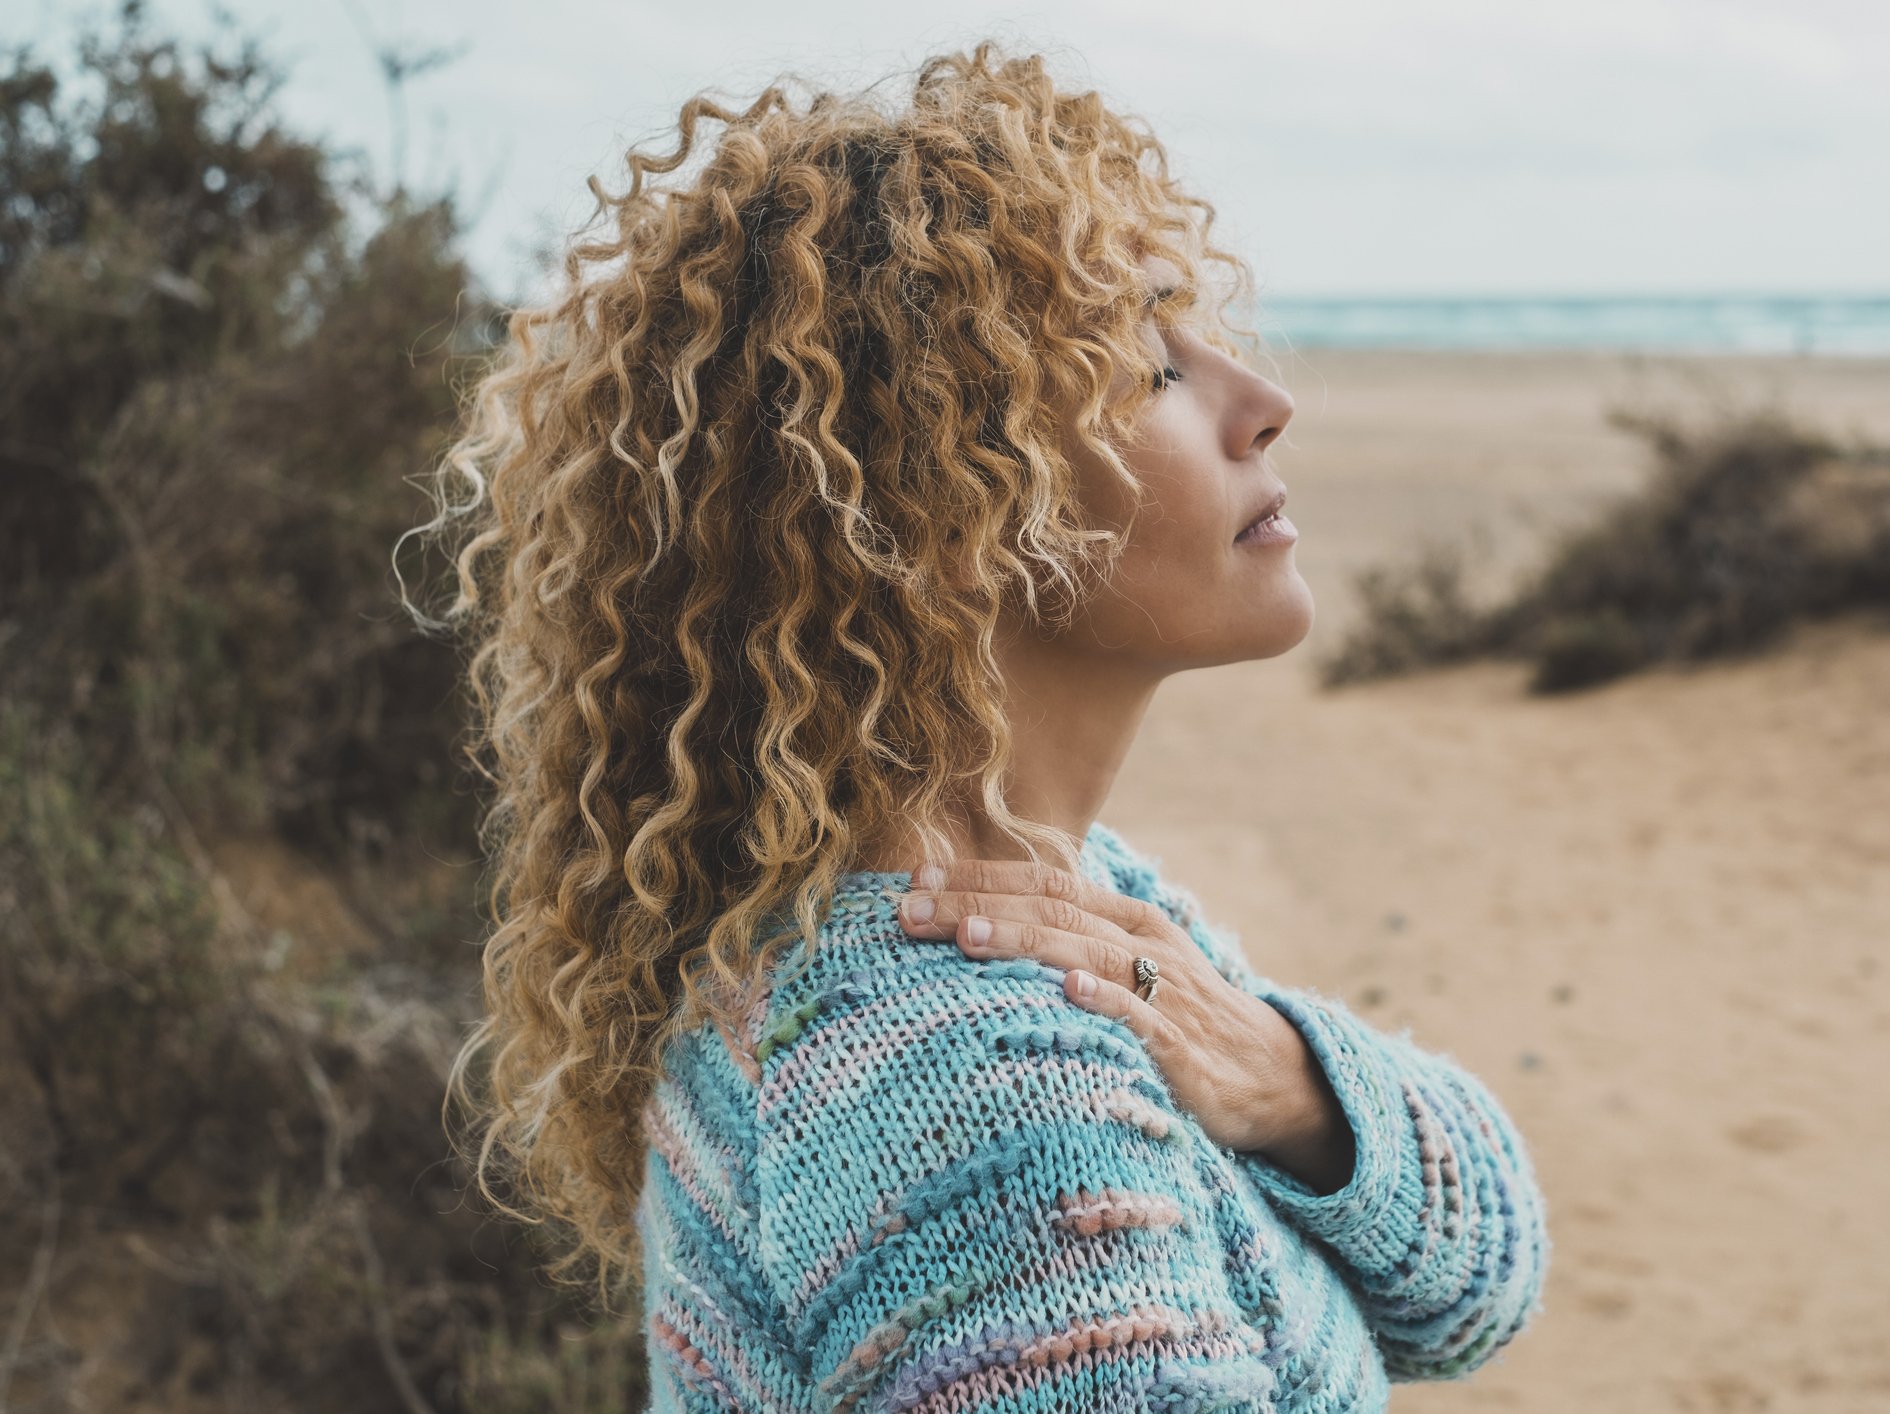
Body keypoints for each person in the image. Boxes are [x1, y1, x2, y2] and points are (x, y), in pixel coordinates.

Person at [416, 39, 1551, 1413]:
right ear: (945, 515)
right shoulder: (970, 1062)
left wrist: (1295, 1085)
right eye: (1147, 369)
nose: (1261, 404)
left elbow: (1481, 1283)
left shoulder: (1066, 914)